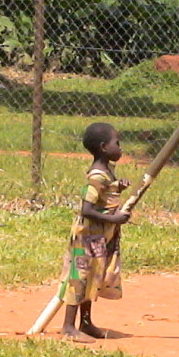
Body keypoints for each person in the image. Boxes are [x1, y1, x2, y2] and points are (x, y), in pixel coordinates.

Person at [58, 122, 131, 343]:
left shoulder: (107, 173)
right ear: (103, 147)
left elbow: (105, 193)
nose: (120, 148)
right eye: (116, 143)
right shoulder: (96, 176)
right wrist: (114, 219)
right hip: (86, 236)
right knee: (78, 278)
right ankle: (68, 326)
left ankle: (86, 323)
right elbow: (87, 209)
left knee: (91, 278)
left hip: (99, 237)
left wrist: (118, 186)